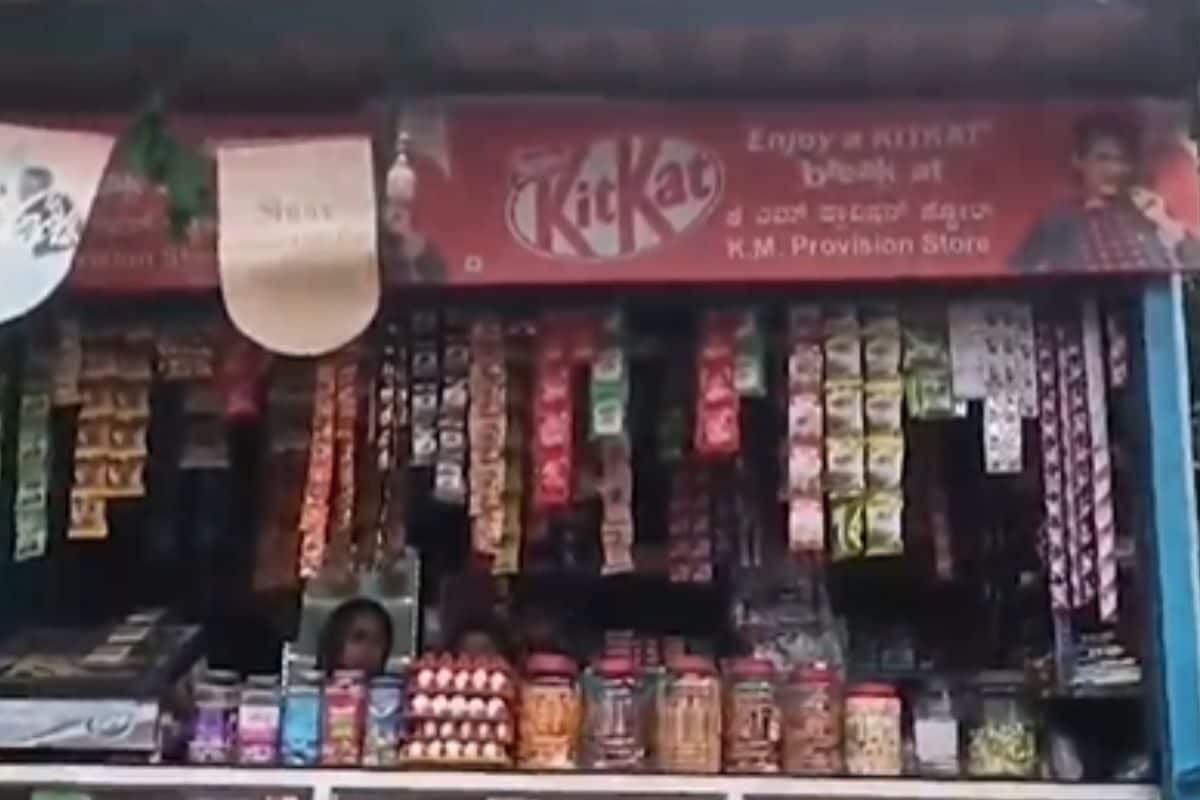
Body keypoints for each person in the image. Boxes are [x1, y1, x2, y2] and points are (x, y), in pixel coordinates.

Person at [1011, 113, 1199, 274]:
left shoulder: (1148, 213)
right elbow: (1020, 271)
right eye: (1103, 158)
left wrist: (1163, 221)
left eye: (1121, 161)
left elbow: (1194, 261)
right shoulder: (1060, 220)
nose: (1114, 170)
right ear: (1079, 161)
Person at [317, 597, 394, 676]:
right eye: (358, 638)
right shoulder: (316, 683)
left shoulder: (388, 685)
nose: (368, 648)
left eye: (377, 641)